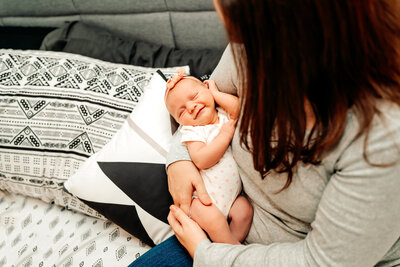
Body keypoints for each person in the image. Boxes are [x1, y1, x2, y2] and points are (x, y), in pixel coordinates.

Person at [131, 0, 400, 266]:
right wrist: (179, 161)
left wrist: (206, 253)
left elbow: (322, 261)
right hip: (232, 219)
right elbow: (202, 106)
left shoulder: (383, 137)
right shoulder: (249, 49)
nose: (237, 43)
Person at [164, 69, 253, 245]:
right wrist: (224, 136)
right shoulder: (192, 131)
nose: (191, 107)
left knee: (245, 211)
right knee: (215, 220)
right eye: (181, 112)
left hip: (232, 198)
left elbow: (238, 107)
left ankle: (231, 245)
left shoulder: (223, 114)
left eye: (195, 96)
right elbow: (201, 160)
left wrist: (215, 93)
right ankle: (231, 249)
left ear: (206, 88)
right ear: (180, 123)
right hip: (203, 203)